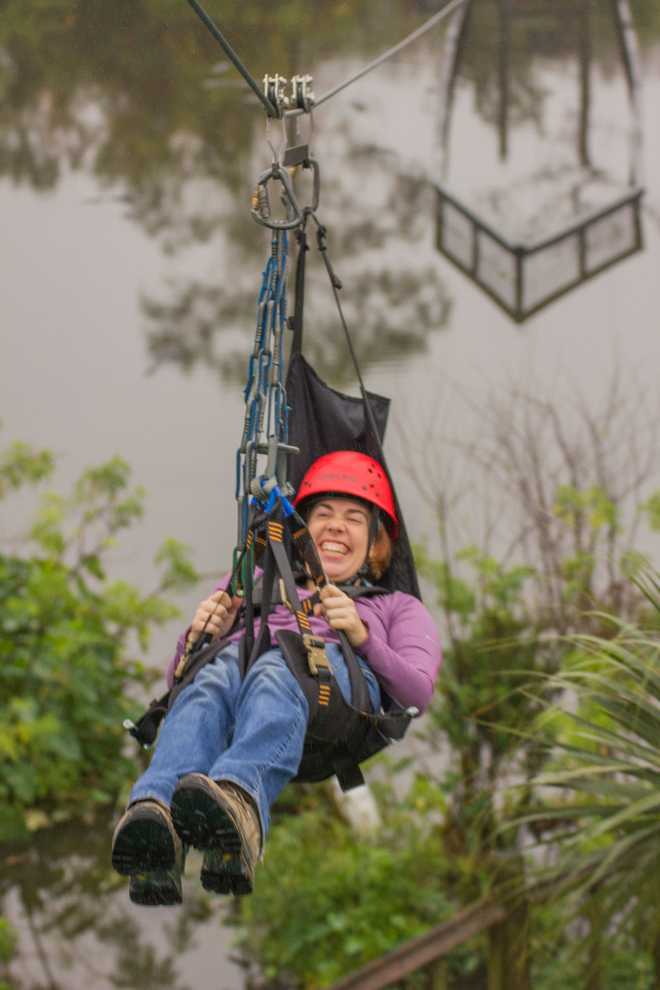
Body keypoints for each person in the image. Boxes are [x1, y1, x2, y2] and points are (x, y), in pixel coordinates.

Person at [111, 451, 441, 902]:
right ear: (300, 530)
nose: (336, 526)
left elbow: (417, 693)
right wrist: (201, 634)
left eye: (354, 519)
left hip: (333, 698)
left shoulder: (394, 607)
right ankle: (155, 815)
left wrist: (363, 636)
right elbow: (179, 682)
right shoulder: (254, 581)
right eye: (322, 514)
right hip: (243, 674)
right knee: (213, 678)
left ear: (376, 544)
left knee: (276, 666)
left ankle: (242, 803)